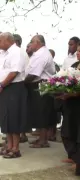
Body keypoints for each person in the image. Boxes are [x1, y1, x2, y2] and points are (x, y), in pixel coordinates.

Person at [0, 32, 28, 158]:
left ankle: (15, 149)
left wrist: (2, 85)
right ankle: (9, 146)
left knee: (14, 118)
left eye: (0, 41)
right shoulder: (5, 53)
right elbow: (0, 71)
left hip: (14, 88)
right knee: (6, 118)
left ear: (7, 40)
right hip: (5, 87)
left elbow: (14, 73)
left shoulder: (16, 52)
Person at [25, 35, 56, 148]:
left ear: (38, 42)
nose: (30, 44)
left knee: (42, 111)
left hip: (41, 84)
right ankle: (41, 138)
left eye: (32, 42)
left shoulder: (42, 54)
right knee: (38, 112)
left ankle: (43, 140)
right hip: (38, 84)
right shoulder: (38, 53)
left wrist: (22, 83)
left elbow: (34, 74)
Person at [58, 44, 80, 176]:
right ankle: (74, 158)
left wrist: (73, 94)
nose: (78, 53)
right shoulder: (74, 65)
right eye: (78, 51)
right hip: (71, 105)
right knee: (67, 132)